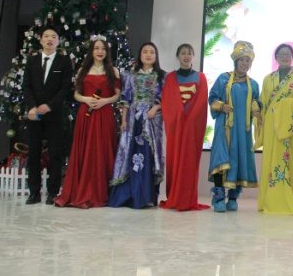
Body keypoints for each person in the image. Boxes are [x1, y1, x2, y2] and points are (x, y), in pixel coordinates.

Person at [55, 35, 120, 208]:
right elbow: (76, 94)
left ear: (107, 52)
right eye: (96, 48)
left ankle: (101, 192)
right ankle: (81, 190)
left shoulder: (113, 71)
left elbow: (117, 94)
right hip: (86, 115)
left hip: (105, 114)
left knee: (102, 150)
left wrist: (104, 101)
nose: (100, 51)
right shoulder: (83, 70)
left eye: (103, 49)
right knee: (84, 150)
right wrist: (86, 99)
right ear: (91, 51)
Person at [109, 42, 165, 208]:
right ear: (140, 55)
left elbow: (166, 98)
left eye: (152, 52)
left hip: (151, 122)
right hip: (133, 120)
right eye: (145, 51)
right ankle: (129, 196)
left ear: (156, 56)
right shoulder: (130, 76)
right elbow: (126, 99)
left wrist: (155, 108)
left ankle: (146, 196)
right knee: (129, 154)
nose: (148, 55)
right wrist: (124, 120)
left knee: (147, 155)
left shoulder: (163, 76)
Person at [22, 25, 73, 205]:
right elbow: (26, 86)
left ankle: (53, 191)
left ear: (58, 41)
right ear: (41, 40)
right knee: (34, 153)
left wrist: (49, 106)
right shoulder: (32, 61)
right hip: (34, 114)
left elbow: (65, 88)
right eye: (46, 36)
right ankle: (34, 192)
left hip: (54, 114)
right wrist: (33, 107)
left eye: (53, 36)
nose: (50, 39)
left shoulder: (64, 62)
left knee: (55, 153)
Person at [208, 41, 261, 212]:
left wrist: (256, 109)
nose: (245, 63)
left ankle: (232, 198)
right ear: (236, 61)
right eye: (242, 60)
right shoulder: (223, 79)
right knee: (221, 159)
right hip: (225, 127)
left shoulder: (253, 84)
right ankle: (218, 198)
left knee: (239, 160)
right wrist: (221, 106)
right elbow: (212, 98)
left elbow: (256, 101)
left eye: (248, 60)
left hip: (243, 130)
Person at [254, 43, 293, 215]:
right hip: (271, 126)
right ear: (276, 57)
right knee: (271, 160)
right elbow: (263, 103)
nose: (284, 56)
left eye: (288, 54)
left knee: (291, 162)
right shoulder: (268, 79)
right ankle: (269, 200)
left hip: (291, 127)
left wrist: (285, 105)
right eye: (281, 54)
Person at [159, 43, 209, 211]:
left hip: (192, 128)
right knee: (174, 158)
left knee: (189, 161)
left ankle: (187, 198)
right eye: (183, 53)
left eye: (189, 53)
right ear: (178, 56)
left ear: (193, 56)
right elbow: (168, 102)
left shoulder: (201, 77)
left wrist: (189, 119)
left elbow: (201, 103)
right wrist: (179, 118)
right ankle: (174, 196)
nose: (186, 56)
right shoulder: (171, 78)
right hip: (176, 127)